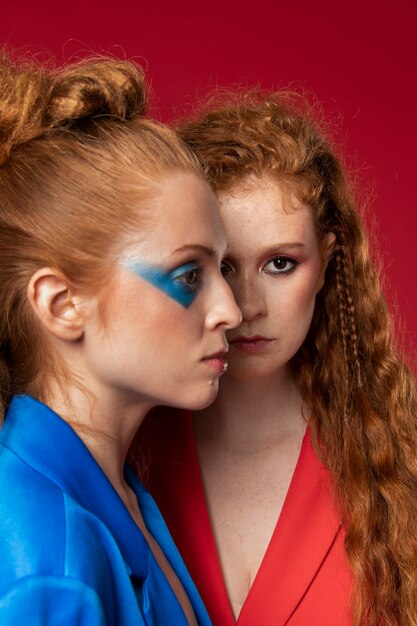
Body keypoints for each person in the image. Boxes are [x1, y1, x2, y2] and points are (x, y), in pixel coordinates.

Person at [140, 90, 417, 625]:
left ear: (328, 260)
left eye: (281, 264)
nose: (245, 306)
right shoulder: (129, 447)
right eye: (221, 266)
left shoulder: (399, 452)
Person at [0, 52, 242, 625]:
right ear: (62, 305)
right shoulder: (46, 562)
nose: (231, 311)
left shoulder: (123, 499)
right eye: (188, 276)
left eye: (222, 271)